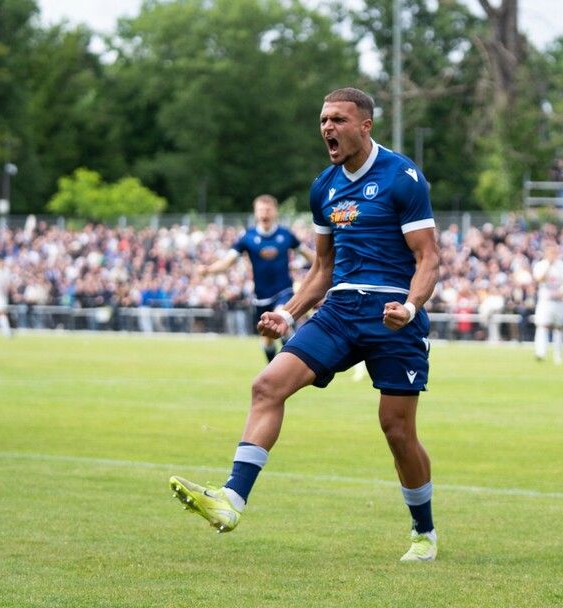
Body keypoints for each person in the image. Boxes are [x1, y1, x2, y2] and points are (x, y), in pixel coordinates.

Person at [170, 87, 441, 563]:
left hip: (392, 317)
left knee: (396, 431)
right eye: (323, 121)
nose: (327, 129)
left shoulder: (403, 177)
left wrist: (411, 308)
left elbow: (429, 258)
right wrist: (290, 313)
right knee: (267, 385)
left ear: (365, 126)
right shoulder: (324, 187)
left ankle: (424, 531)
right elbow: (322, 270)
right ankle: (232, 500)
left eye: (338, 119)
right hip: (338, 311)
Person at [201, 195, 312, 363]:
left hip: (284, 290)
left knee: (280, 316)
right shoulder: (248, 237)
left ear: (275, 212)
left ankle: (293, 359)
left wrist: (330, 264)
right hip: (261, 295)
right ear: (255, 213)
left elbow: (310, 256)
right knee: (267, 338)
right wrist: (208, 269)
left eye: (268, 209)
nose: (264, 213)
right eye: (261, 210)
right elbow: (226, 262)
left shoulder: (286, 235)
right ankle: (274, 366)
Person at [532, 242, 563, 363]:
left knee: (559, 327)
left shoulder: (562, 266)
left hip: (559, 300)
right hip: (545, 300)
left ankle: (558, 355)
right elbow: (539, 279)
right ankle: (540, 353)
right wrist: (548, 266)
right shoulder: (541, 265)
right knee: (542, 325)